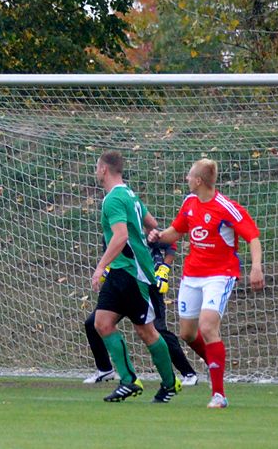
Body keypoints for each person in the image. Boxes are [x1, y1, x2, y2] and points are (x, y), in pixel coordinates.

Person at [148, 158, 264, 409]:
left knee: (208, 327)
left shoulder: (226, 207)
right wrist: (158, 237)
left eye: (190, 176)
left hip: (220, 274)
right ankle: (215, 365)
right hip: (192, 274)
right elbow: (176, 231)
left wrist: (256, 267)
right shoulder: (190, 203)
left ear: (198, 181)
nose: (187, 179)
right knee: (187, 333)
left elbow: (252, 236)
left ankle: (219, 394)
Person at [91, 150, 181, 403]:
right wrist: (153, 234)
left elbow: (120, 237)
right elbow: (151, 222)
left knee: (146, 331)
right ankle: (129, 380)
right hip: (122, 271)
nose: (96, 171)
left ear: (104, 170)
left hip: (134, 272)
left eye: (97, 167)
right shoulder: (129, 194)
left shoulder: (113, 200)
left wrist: (100, 267)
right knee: (102, 323)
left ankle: (170, 382)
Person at [83, 241, 198, 386]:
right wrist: (107, 269)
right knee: (93, 324)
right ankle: (104, 369)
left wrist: (164, 269)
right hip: (122, 285)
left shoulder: (139, 226)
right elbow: (113, 254)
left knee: (157, 331)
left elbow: (170, 245)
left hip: (147, 285)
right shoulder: (111, 232)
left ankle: (188, 373)